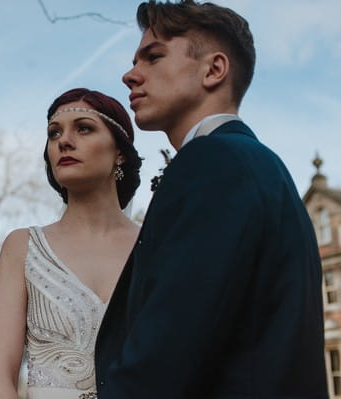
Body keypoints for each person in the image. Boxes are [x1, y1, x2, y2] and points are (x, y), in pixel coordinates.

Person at [94, 1, 328, 398]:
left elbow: (167, 352)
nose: (129, 75)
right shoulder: (259, 167)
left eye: (153, 57)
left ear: (214, 70)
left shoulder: (215, 163)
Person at [0, 88, 142, 399]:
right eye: (54, 133)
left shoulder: (154, 244)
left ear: (120, 151)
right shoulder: (22, 247)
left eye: (84, 128)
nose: (63, 141)